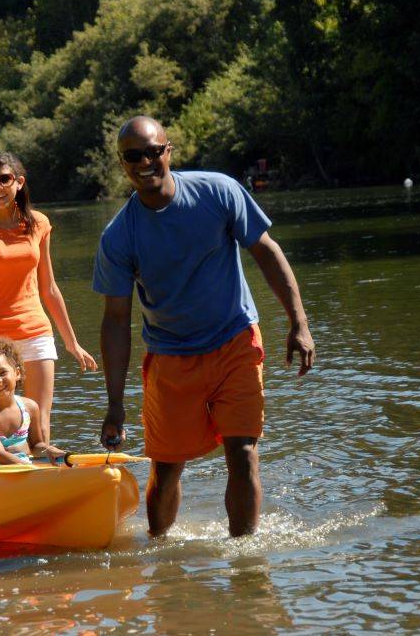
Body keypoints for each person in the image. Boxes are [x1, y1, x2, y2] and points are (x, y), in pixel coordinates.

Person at [93, 116, 315, 537]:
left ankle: (245, 561)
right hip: (172, 356)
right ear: (123, 164)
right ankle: (160, 555)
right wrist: (115, 403)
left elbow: (266, 251)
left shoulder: (218, 191)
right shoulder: (119, 236)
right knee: (167, 467)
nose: (145, 162)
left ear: (169, 150)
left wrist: (298, 322)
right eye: (133, 156)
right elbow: (116, 322)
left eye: (153, 151)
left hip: (235, 339)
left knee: (244, 451)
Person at [0, 151, 98, 443]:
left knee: (40, 424)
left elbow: (49, 288)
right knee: (3, 422)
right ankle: (3, 473)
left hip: (36, 332)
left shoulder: (38, 224)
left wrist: (71, 342)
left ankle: (44, 480)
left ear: (19, 182)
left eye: (4, 179)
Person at [0, 336, 66, 465]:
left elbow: (36, 445)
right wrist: (31, 470)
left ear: (17, 373)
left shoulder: (30, 407)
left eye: (2, 373)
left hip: (22, 467)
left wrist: (48, 450)